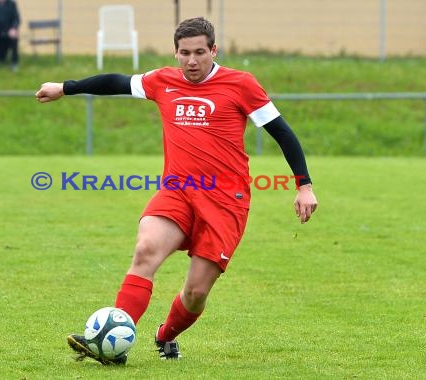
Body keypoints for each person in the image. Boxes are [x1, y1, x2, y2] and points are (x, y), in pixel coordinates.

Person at [35, 17, 318, 365]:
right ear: (176, 53)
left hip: (226, 200)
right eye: (185, 53)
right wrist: (66, 87)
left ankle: (166, 334)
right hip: (178, 191)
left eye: (200, 52)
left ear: (213, 50)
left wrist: (303, 185)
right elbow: (117, 82)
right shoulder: (163, 81)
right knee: (146, 250)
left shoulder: (241, 84)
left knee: (196, 292)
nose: (192, 61)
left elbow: (283, 133)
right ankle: (114, 345)